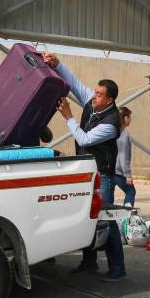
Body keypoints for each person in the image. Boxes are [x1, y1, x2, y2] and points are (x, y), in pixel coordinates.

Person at [43, 52, 126, 282]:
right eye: (95, 92)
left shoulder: (111, 123)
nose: (94, 97)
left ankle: (118, 267)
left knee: (106, 219)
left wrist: (68, 116)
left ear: (109, 100)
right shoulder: (93, 103)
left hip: (104, 176)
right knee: (89, 218)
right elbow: (77, 85)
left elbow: (84, 139)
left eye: (99, 95)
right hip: (88, 174)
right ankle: (89, 262)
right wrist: (57, 65)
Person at [112, 107, 136, 207]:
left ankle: (109, 221)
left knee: (108, 197)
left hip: (109, 170)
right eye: (129, 117)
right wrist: (128, 175)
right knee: (131, 191)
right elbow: (123, 156)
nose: (130, 120)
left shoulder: (113, 131)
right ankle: (126, 216)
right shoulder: (124, 134)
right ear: (125, 118)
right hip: (118, 172)